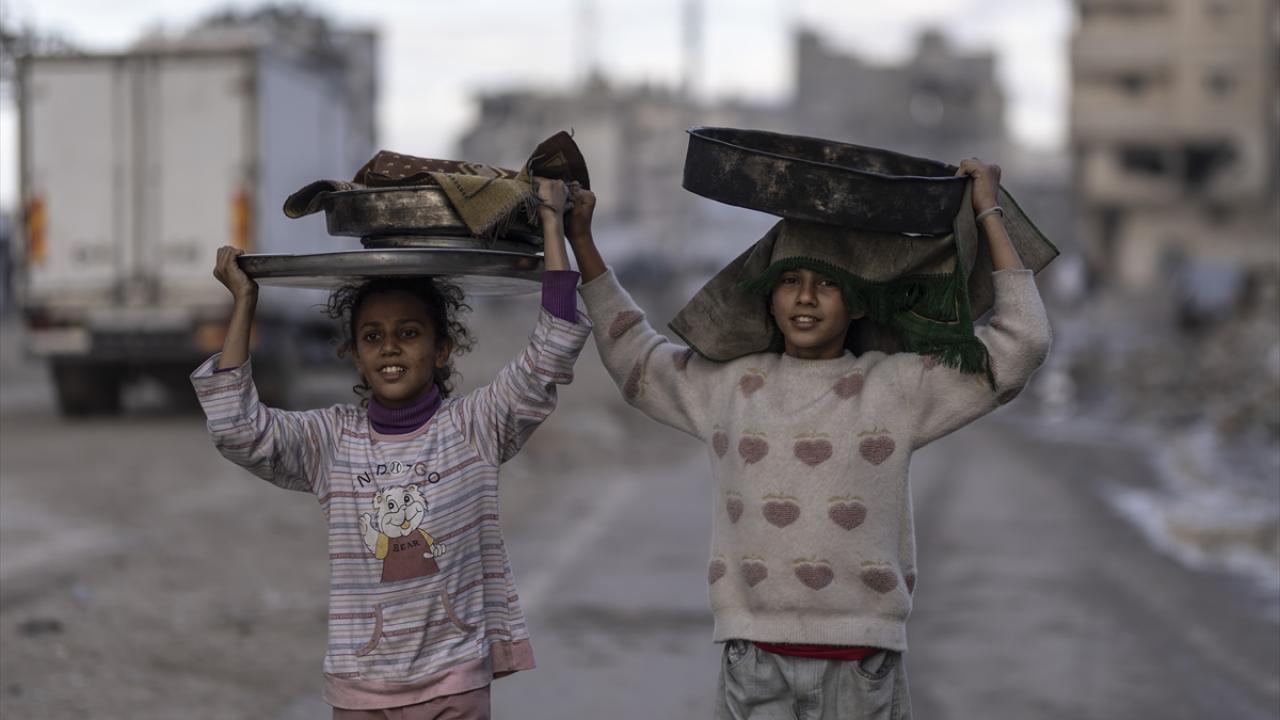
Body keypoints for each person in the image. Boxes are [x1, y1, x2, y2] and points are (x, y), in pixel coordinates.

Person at [564, 159, 1052, 720]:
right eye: (790, 281)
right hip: (754, 663)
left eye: (827, 283)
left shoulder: (895, 388)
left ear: (859, 302)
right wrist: (582, 242)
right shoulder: (728, 386)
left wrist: (987, 211)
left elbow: (1022, 343)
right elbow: (635, 356)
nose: (805, 298)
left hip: (861, 668)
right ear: (768, 297)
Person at [191, 179, 591, 719]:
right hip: (360, 687)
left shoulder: (474, 426)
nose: (390, 348)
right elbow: (238, 429)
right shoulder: (331, 442)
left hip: (454, 681)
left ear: (442, 348)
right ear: (355, 354)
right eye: (373, 337)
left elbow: (552, 346)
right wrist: (244, 302)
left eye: (409, 333)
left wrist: (551, 224)